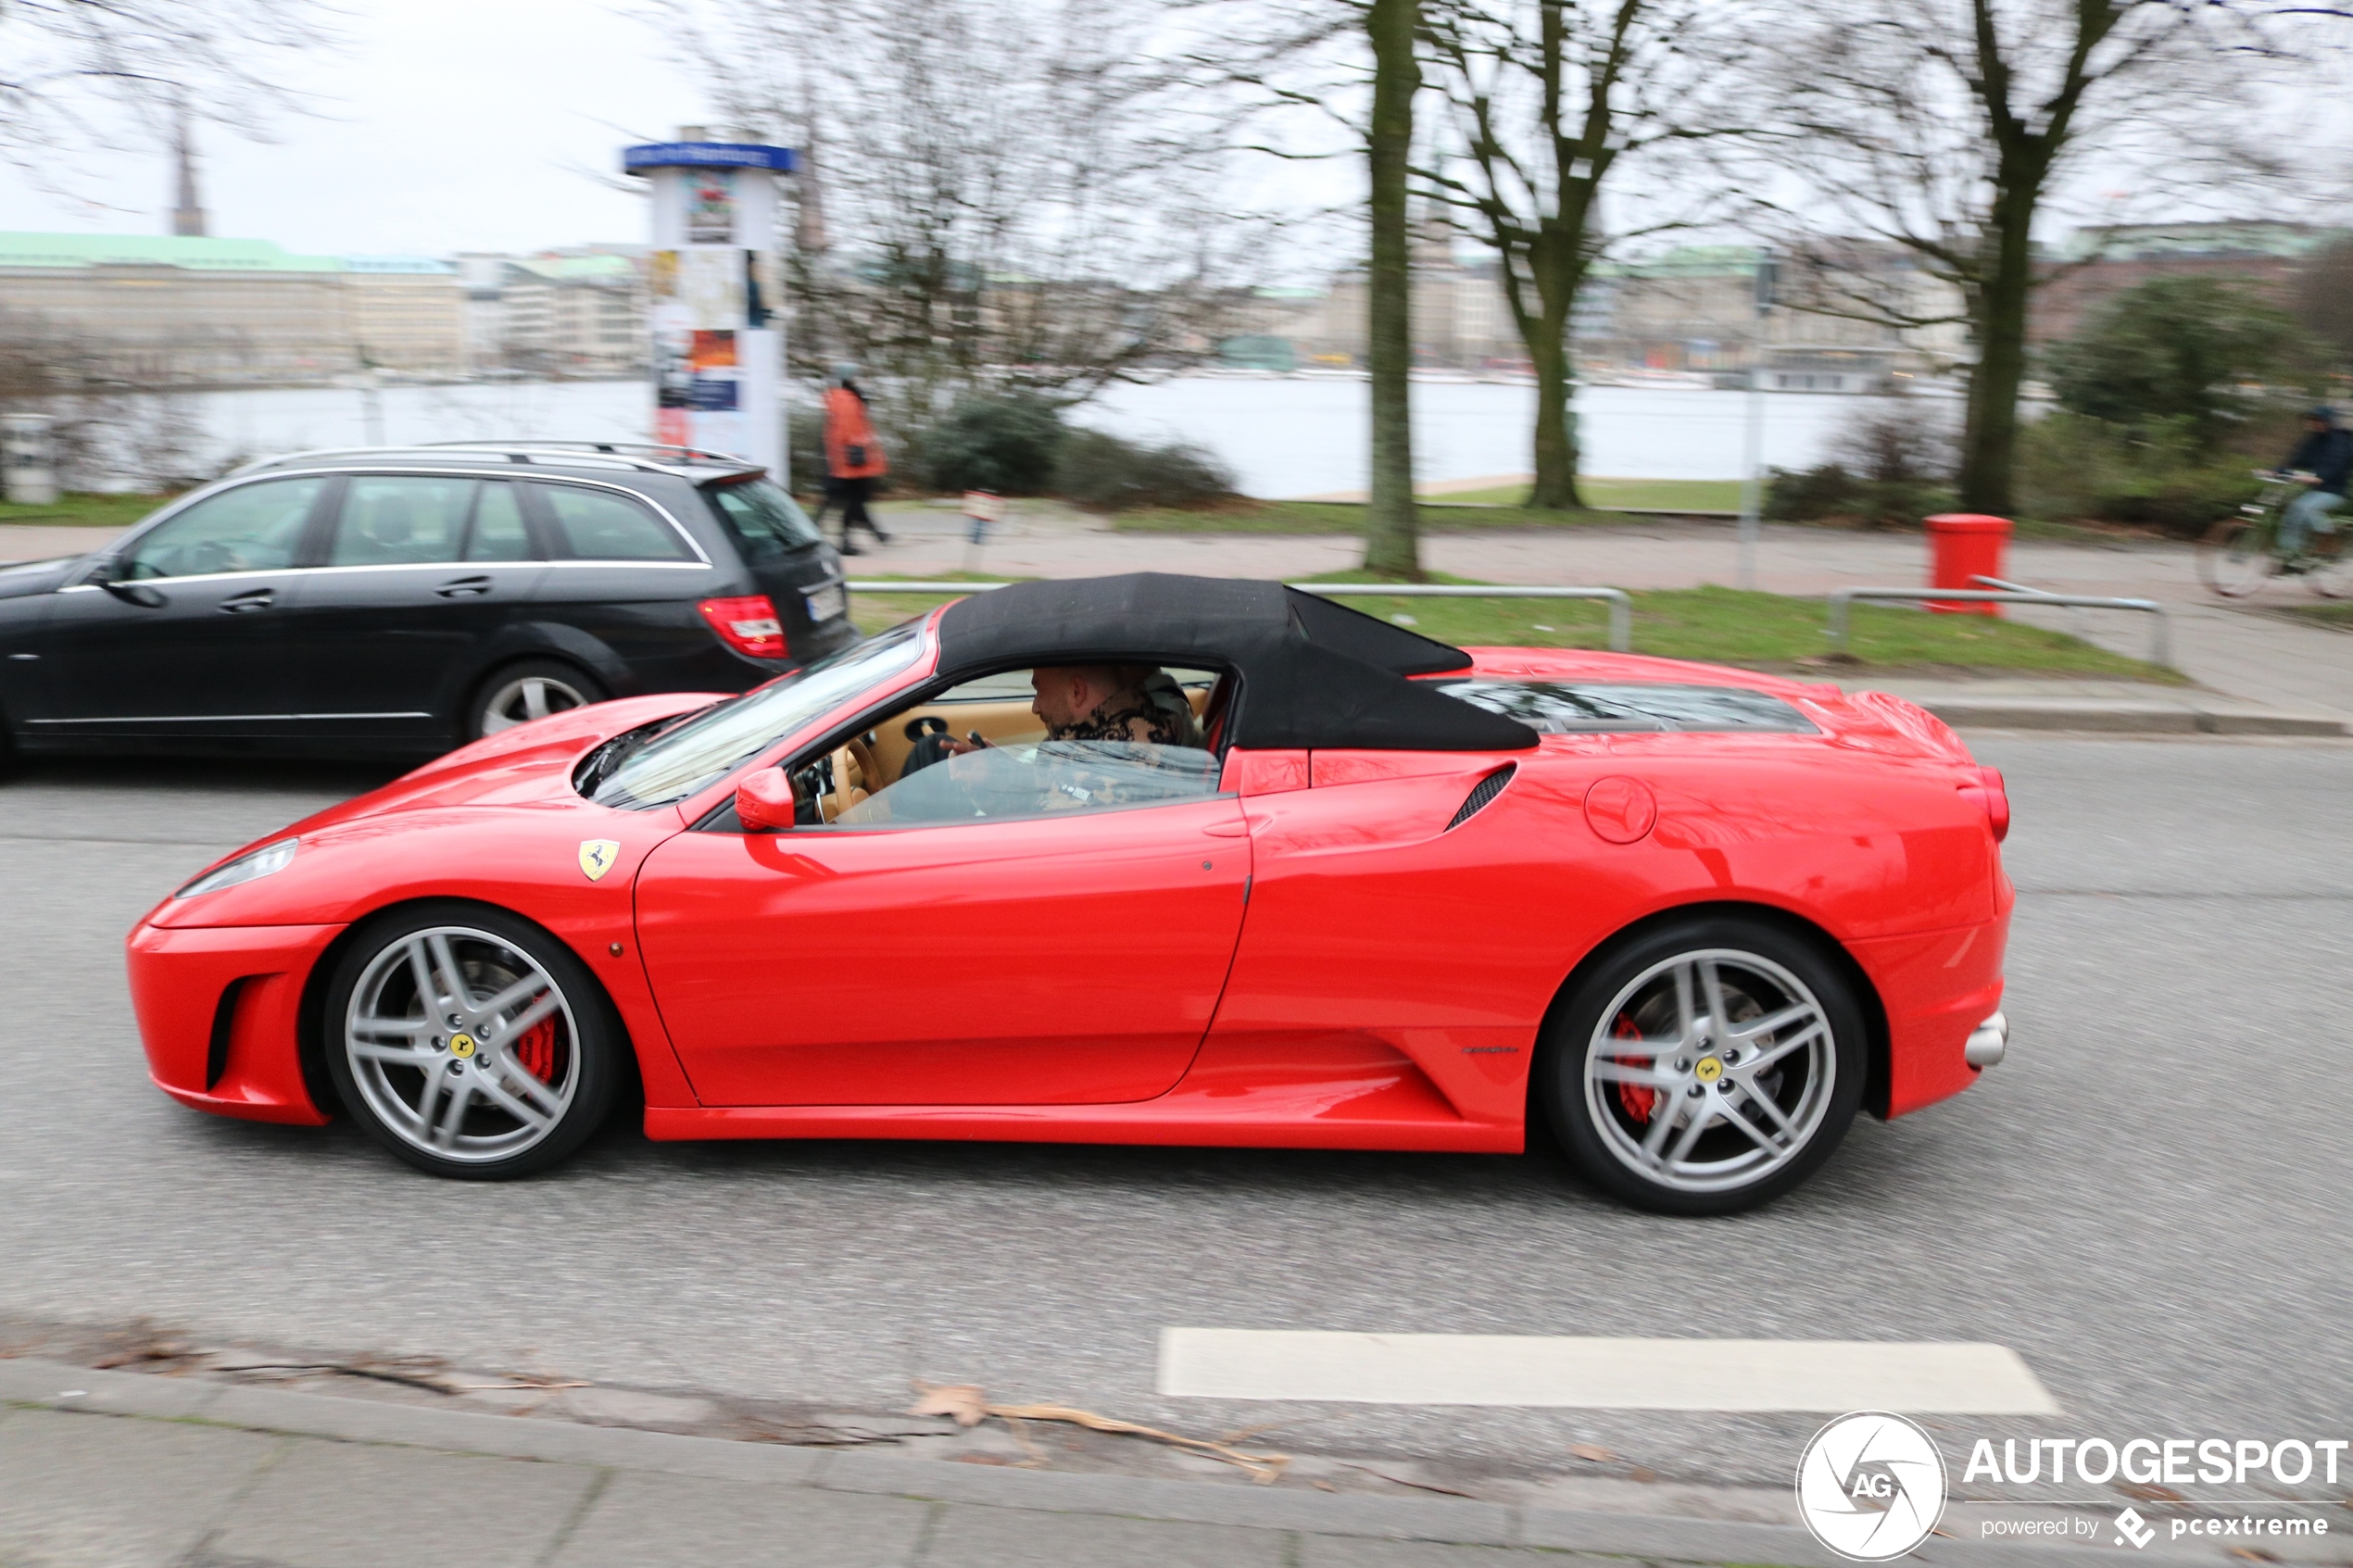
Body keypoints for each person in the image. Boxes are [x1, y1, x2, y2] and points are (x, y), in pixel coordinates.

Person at [811, 363, 891, 554]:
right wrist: (858, 451)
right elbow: (849, 433)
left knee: (839, 500)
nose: (863, 380)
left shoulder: (846, 398)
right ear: (850, 379)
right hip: (851, 463)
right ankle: (843, 540)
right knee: (848, 500)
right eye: (859, 376)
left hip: (845, 462)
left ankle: (847, 538)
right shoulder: (848, 400)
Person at [2275, 406, 2352, 562]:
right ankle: (2289, 557)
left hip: (2334, 491)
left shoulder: (2340, 442)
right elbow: (2297, 459)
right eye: (2314, 420)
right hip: (2316, 490)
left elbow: (2336, 464)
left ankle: (2328, 538)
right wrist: (2277, 470)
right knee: (2291, 512)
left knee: (2303, 508)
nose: (2316, 423)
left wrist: (2319, 477)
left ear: (2329, 422)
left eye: (2320, 420)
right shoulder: (2313, 440)